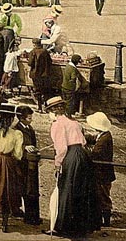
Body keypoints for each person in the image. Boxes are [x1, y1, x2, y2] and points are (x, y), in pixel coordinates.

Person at [44, 96, 102, 237]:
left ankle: (64, 227)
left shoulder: (57, 124)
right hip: (82, 155)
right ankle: (81, 227)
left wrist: (57, 165)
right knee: (82, 190)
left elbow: (62, 148)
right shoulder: (74, 122)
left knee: (67, 189)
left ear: (53, 111)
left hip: (71, 156)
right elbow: (83, 141)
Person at [85, 112, 116, 227]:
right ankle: (101, 218)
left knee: (103, 196)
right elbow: (95, 139)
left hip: (103, 173)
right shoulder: (105, 135)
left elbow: (95, 154)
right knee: (101, 195)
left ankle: (106, 221)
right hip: (104, 172)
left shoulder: (104, 140)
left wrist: (85, 151)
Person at [15, 106, 40, 225]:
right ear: (21, 118)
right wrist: (24, 147)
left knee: (33, 190)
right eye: (29, 118)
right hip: (23, 164)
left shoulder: (30, 129)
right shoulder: (16, 130)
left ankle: (33, 216)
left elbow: (33, 144)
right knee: (27, 190)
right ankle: (28, 216)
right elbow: (15, 146)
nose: (31, 120)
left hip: (31, 163)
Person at [27, 38, 53, 112]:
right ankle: (45, 106)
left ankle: (39, 107)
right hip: (45, 74)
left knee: (37, 91)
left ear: (34, 44)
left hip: (36, 74)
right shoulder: (45, 51)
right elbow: (50, 62)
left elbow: (30, 63)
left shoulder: (33, 52)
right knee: (44, 90)